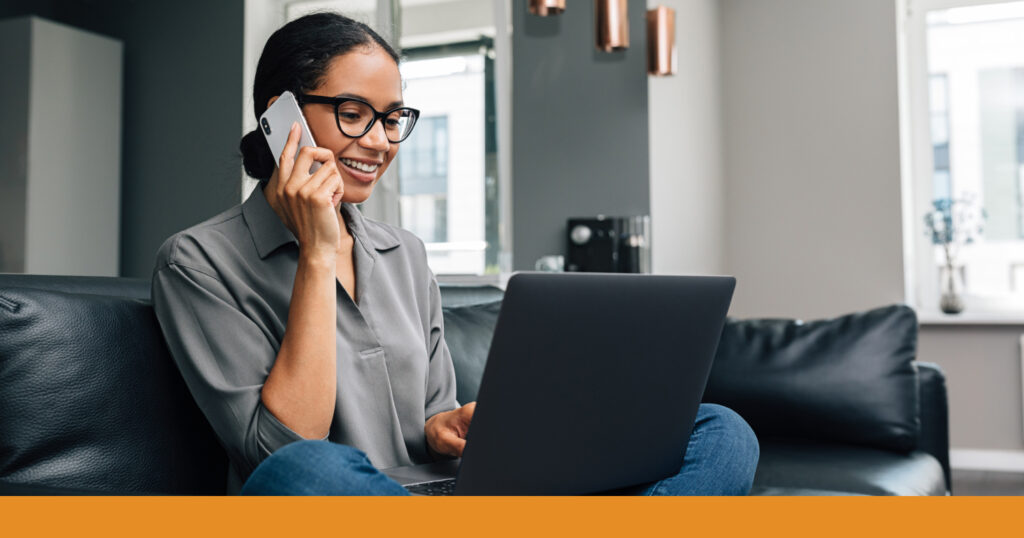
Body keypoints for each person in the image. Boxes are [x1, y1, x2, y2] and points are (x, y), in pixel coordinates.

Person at [152, 12, 759, 496]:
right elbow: (282, 450)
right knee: (304, 475)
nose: (379, 142)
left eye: (392, 119)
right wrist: (317, 253)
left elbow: (431, 416)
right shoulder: (198, 262)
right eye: (353, 114)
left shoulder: (404, 254)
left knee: (722, 431)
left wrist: (443, 431)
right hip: (340, 498)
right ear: (280, 117)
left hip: (445, 494)